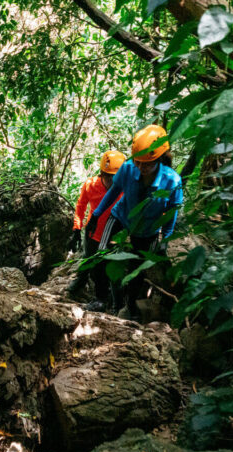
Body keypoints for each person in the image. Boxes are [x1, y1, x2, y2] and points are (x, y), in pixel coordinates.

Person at [85, 125, 183, 321]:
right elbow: (114, 191)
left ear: (159, 159)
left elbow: (171, 212)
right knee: (101, 254)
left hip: (147, 230)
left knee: (137, 269)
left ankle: (130, 307)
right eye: (138, 162)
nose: (141, 167)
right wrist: (96, 215)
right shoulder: (128, 169)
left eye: (147, 164)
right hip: (120, 216)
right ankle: (100, 299)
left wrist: (166, 239)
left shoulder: (172, 181)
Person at [66, 150, 126, 311]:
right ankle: (82, 281)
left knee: (110, 269)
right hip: (93, 233)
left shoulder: (125, 189)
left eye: (116, 177)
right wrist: (76, 229)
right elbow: (80, 207)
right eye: (109, 177)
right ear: (102, 174)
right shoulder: (90, 185)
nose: (112, 181)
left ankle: (114, 302)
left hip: (115, 236)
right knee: (89, 259)